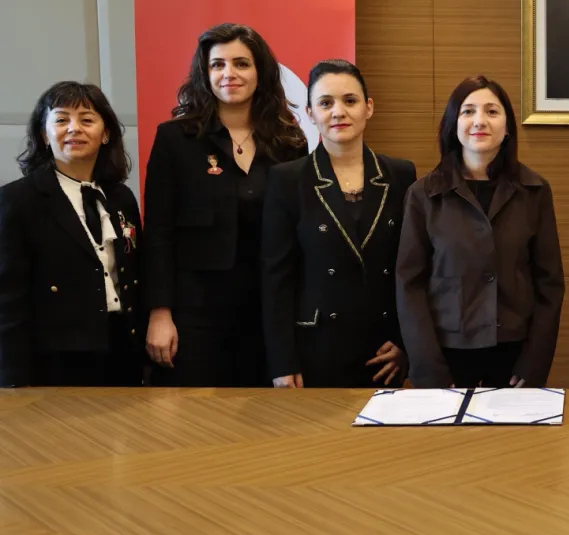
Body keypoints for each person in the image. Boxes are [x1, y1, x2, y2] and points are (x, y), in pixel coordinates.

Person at [143, 23, 307, 387]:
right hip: (194, 315)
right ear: (205, 74)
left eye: (241, 63)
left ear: (260, 72)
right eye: (217, 65)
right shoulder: (175, 139)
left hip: (266, 314)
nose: (228, 73)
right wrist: (159, 313)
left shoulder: (289, 143)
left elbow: (297, 238)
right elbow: (157, 233)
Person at [397, 75, 564, 388]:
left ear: (507, 126)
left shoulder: (534, 191)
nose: (479, 121)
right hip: (446, 355)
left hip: (514, 355)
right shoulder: (423, 195)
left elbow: (550, 284)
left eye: (492, 111)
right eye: (468, 111)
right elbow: (409, 286)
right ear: (453, 124)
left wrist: (535, 361)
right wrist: (427, 366)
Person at [261, 60, 416, 389]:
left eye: (350, 100)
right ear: (310, 113)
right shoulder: (287, 179)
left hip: (383, 350)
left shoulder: (401, 175)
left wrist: (404, 342)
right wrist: (282, 361)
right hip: (315, 348)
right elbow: (277, 278)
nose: (338, 112)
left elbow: (410, 269)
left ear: (368, 107)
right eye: (325, 103)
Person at [0, 82, 144, 387]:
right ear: (44, 134)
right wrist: (12, 379)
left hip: (123, 350)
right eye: (61, 119)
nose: (74, 128)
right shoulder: (16, 200)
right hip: (54, 361)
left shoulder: (121, 198)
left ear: (105, 134)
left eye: (87, 120)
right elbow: (7, 299)